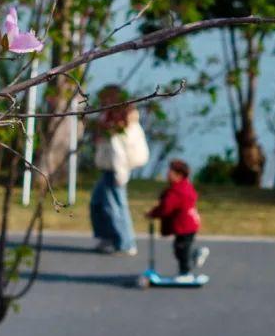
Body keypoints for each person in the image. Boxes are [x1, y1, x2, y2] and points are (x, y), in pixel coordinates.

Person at [89, 86, 149, 255]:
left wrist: (120, 174)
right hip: (110, 167)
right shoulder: (109, 119)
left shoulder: (120, 124)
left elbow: (119, 152)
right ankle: (108, 237)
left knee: (115, 206)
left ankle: (125, 242)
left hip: (116, 169)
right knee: (98, 203)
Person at [146, 159, 210, 280]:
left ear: (179, 175)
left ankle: (185, 273)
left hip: (185, 225)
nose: (167, 175)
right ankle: (195, 256)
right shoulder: (185, 186)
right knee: (181, 249)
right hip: (190, 223)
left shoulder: (177, 192)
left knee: (181, 249)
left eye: (170, 172)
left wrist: (152, 214)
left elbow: (166, 208)